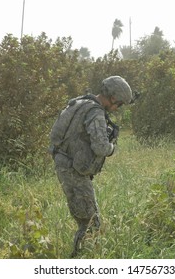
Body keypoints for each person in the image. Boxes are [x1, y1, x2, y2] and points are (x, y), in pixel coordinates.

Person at [49, 76, 133, 257]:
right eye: (119, 104)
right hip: (74, 171)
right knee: (90, 222)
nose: (117, 108)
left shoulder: (79, 102)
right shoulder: (95, 112)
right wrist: (112, 149)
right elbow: (101, 147)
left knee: (88, 218)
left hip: (65, 164)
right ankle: (79, 260)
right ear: (112, 98)